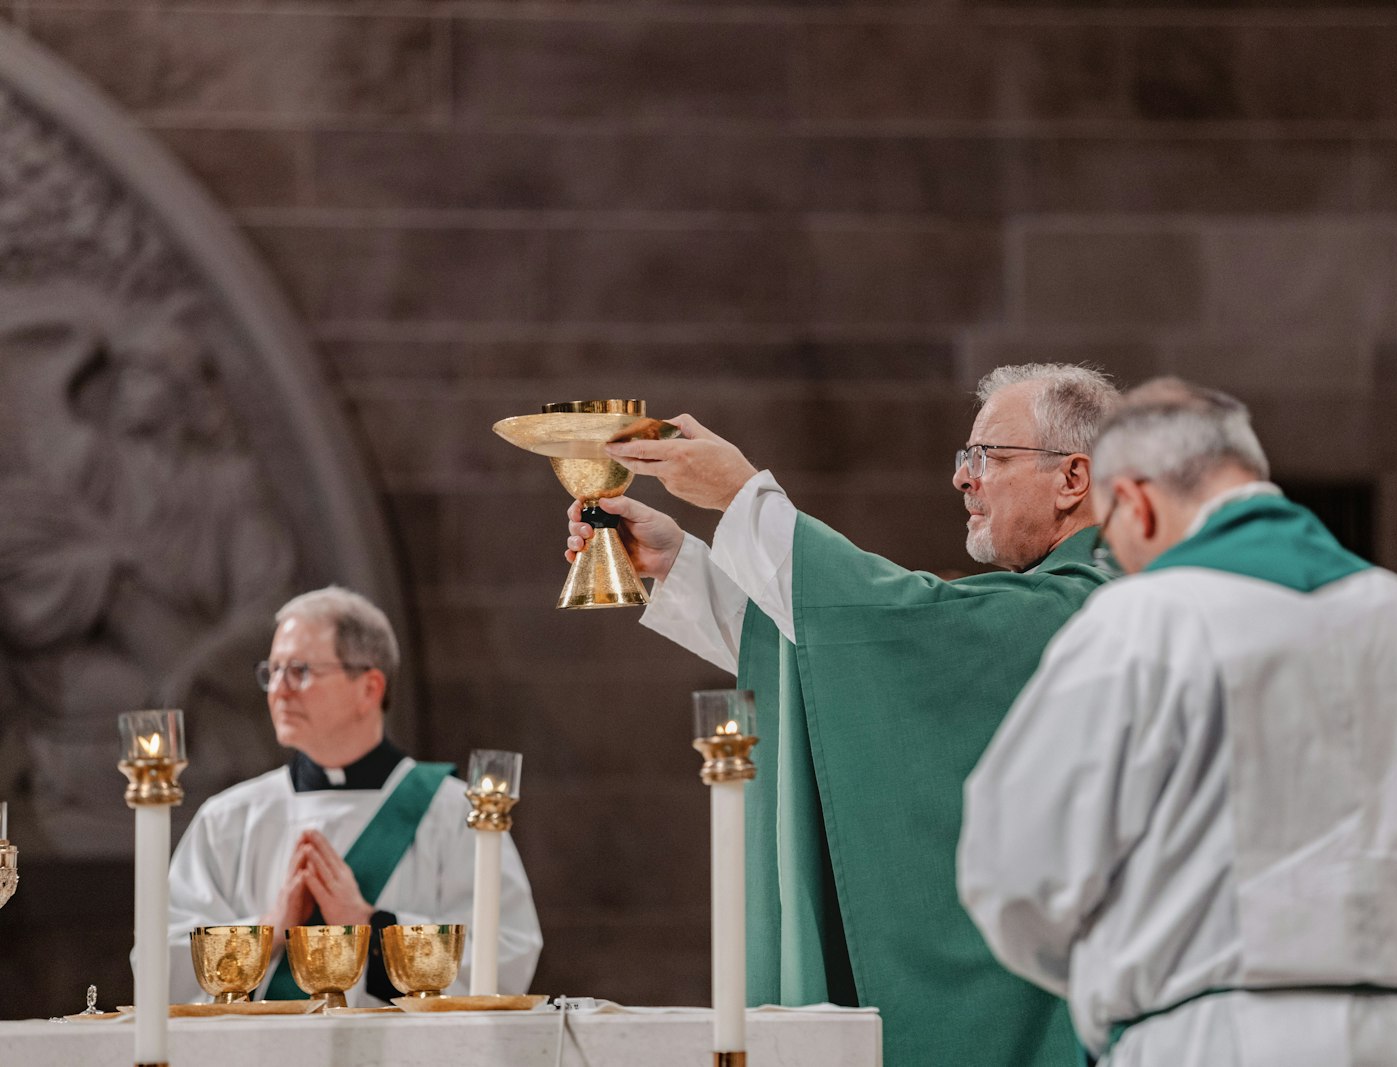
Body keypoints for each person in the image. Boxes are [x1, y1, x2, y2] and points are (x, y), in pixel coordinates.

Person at [571, 364, 1120, 1067]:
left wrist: (744, 498)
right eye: (965, 457)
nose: (963, 477)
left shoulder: (1093, 603)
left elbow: (896, 628)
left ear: (1074, 477)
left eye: (988, 456)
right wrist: (679, 564)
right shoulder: (1062, 600)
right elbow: (836, 651)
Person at [959, 378, 1397, 1066]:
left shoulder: (1143, 621)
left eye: (1114, 541)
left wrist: (1126, 963)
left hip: (1218, 1032)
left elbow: (1010, 869)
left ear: (1135, 502)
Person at [163, 586, 541, 1005]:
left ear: (369, 688)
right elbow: (164, 962)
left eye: (301, 671)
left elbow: (507, 955)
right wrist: (269, 930)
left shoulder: (457, 812)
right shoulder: (229, 817)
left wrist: (368, 927)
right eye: (272, 671)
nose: (279, 690)